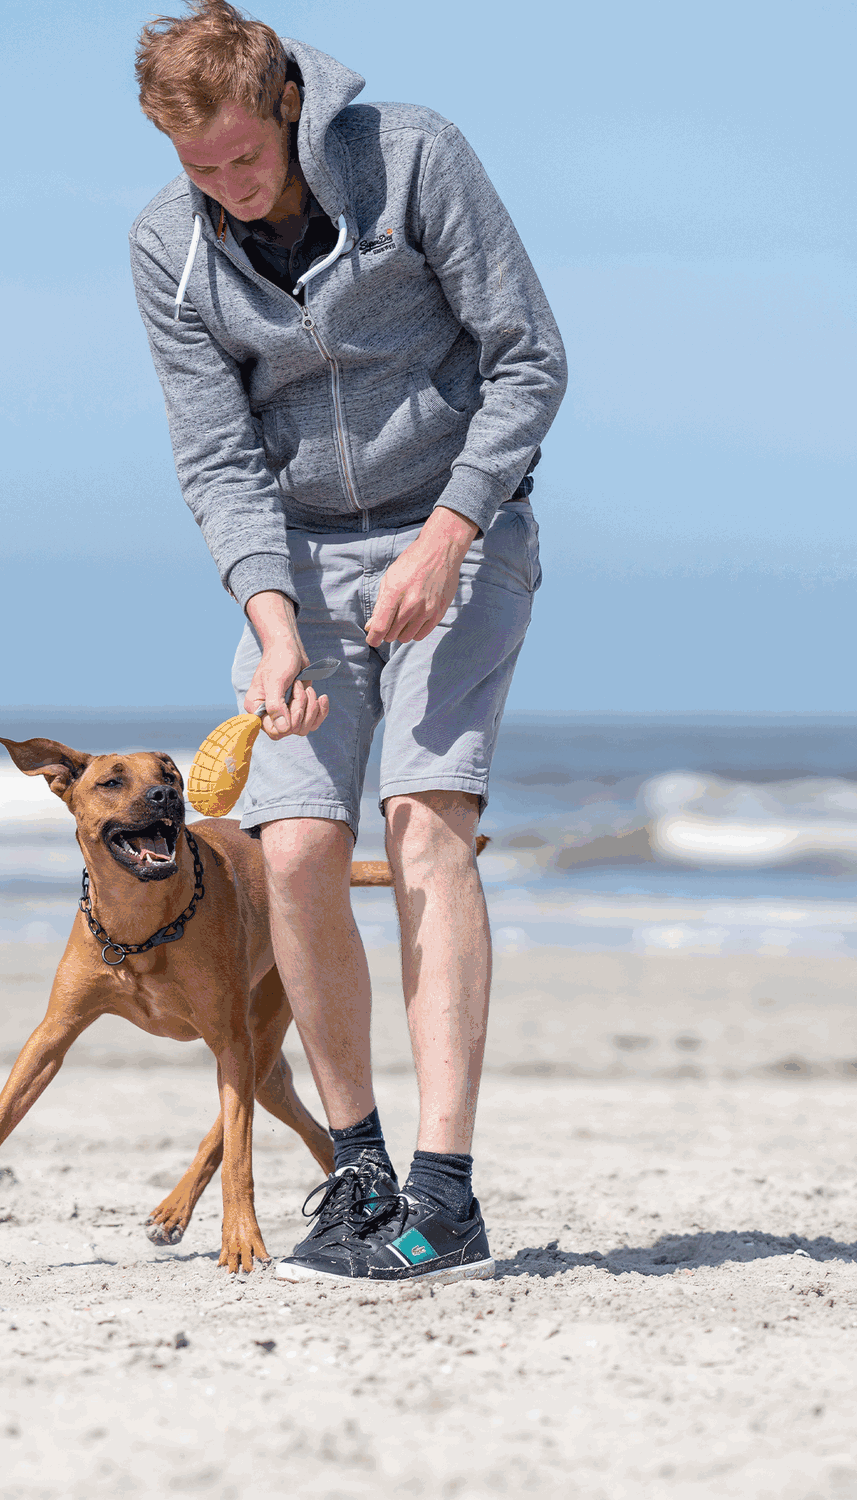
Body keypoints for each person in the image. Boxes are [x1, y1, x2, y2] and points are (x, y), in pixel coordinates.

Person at [129, 1, 566, 1283]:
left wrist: (445, 538)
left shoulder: (415, 158)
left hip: (465, 528)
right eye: (197, 170)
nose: (228, 192)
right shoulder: (167, 247)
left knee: (424, 820)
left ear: (286, 106)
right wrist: (272, 626)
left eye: (244, 161)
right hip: (305, 565)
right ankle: (361, 1171)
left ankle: (448, 1188)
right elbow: (215, 457)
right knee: (298, 845)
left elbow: (528, 361)